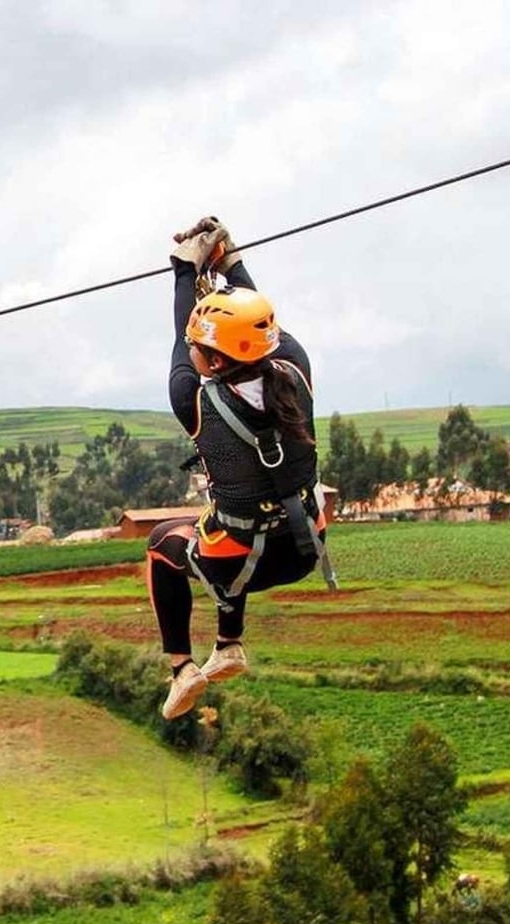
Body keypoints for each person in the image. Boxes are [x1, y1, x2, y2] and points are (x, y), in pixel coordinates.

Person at [149, 216, 330, 720]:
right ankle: (227, 643)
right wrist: (229, 261)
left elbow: (182, 339)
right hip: (302, 548)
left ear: (214, 358)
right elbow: (263, 329)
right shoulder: (296, 370)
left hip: (237, 564)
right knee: (234, 526)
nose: (193, 350)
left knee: (165, 544)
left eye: (202, 347)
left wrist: (185, 273)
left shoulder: (195, 401)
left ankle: (182, 667)